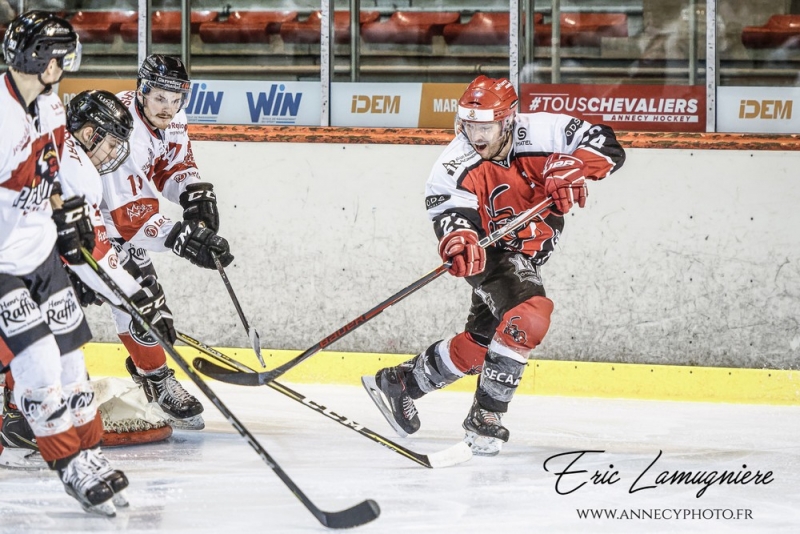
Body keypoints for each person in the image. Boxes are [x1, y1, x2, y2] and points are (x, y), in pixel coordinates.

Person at [362, 76, 626, 456]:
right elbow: (451, 216)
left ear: (507, 120)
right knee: (529, 316)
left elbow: (606, 142)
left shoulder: (544, 130)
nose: (476, 135)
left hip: (527, 254)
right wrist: (459, 240)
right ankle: (486, 415)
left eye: (485, 126)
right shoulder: (452, 164)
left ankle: (403, 382)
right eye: (469, 126)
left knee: (480, 347)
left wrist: (577, 165)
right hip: (487, 252)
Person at [1, 89, 177, 473]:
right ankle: (18, 420)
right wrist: (137, 299)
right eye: (111, 141)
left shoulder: (47, 138)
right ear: (90, 133)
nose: (114, 152)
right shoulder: (76, 164)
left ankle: (16, 421)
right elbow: (95, 250)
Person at [0, 10, 122, 516]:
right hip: (4, 267)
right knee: (40, 369)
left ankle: (90, 454)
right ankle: (68, 464)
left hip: (42, 256)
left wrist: (67, 222)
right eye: (61, 55)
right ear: (41, 60)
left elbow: (46, 175)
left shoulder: (49, 107)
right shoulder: (1, 118)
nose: (66, 63)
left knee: (74, 366)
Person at [101, 54, 234, 431]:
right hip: (77, 228)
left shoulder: (172, 120)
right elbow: (131, 213)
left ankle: (155, 380)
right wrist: (183, 239)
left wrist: (192, 193)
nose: (169, 109)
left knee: (141, 307)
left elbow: (171, 166)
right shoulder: (119, 128)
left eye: (177, 100)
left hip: (113, 224)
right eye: (160, 98)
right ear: (142, 91)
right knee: (49, 312)